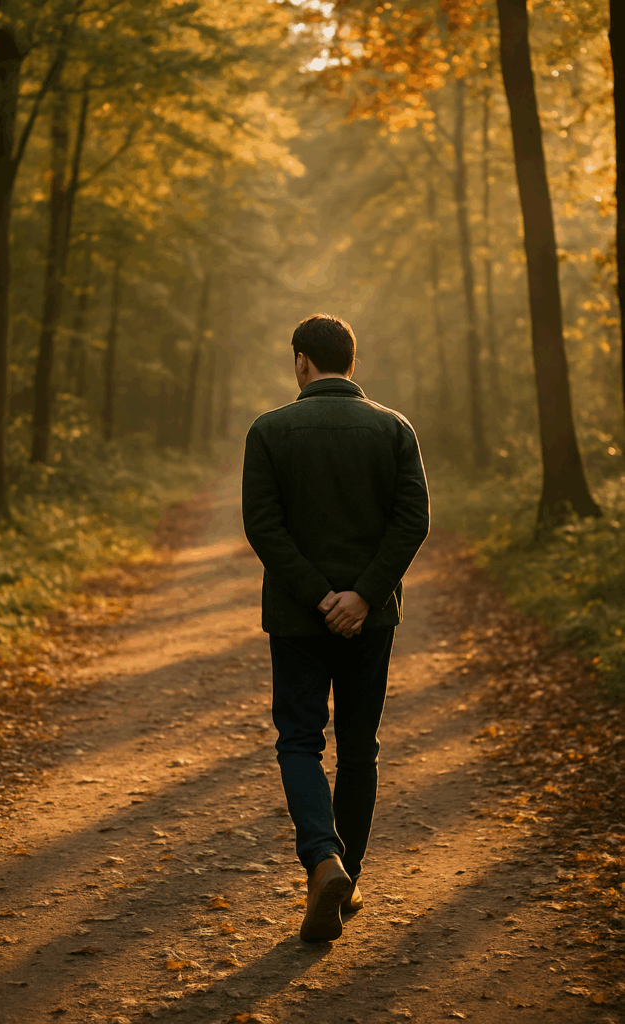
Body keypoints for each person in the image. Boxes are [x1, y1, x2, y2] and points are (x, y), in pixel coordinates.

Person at [241, 313, 430, 943]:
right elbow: (412, 521)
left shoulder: (269, 431)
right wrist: (362, 596)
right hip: (370, 622)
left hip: (297, 617)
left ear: (302, 362)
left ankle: (323, 861)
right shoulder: (394, 429)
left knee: (298, 741)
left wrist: (320, 596)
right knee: (358, 746)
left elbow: (264, 527)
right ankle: (346, 876)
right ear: (352, 362)